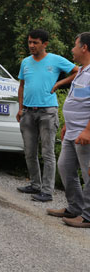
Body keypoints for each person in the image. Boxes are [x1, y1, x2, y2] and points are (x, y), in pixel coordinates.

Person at [16, 29, 78, 202]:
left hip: (47, 112)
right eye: (29, 42)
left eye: (35, 42)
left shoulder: (55, 60)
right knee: (29, 151)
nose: (32, 46)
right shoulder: (25, 62)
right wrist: (20, 108)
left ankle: (47, 191)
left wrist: (59, 83)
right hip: (28, 111)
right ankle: (35, 184)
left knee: (48, 152)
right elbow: (21, 85)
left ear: (45, 44)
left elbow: (77, 71)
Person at [47, 32, 90, 228]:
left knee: (88, 173)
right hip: (73, 131)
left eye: (75, 46)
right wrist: (67, 124)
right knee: (65, 168)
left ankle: (87, 216)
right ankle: (75, 208)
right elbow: (77, 102)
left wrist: (87, 131)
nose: (72, 50)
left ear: (84, 48)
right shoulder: (82, 71)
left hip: (85, 134)